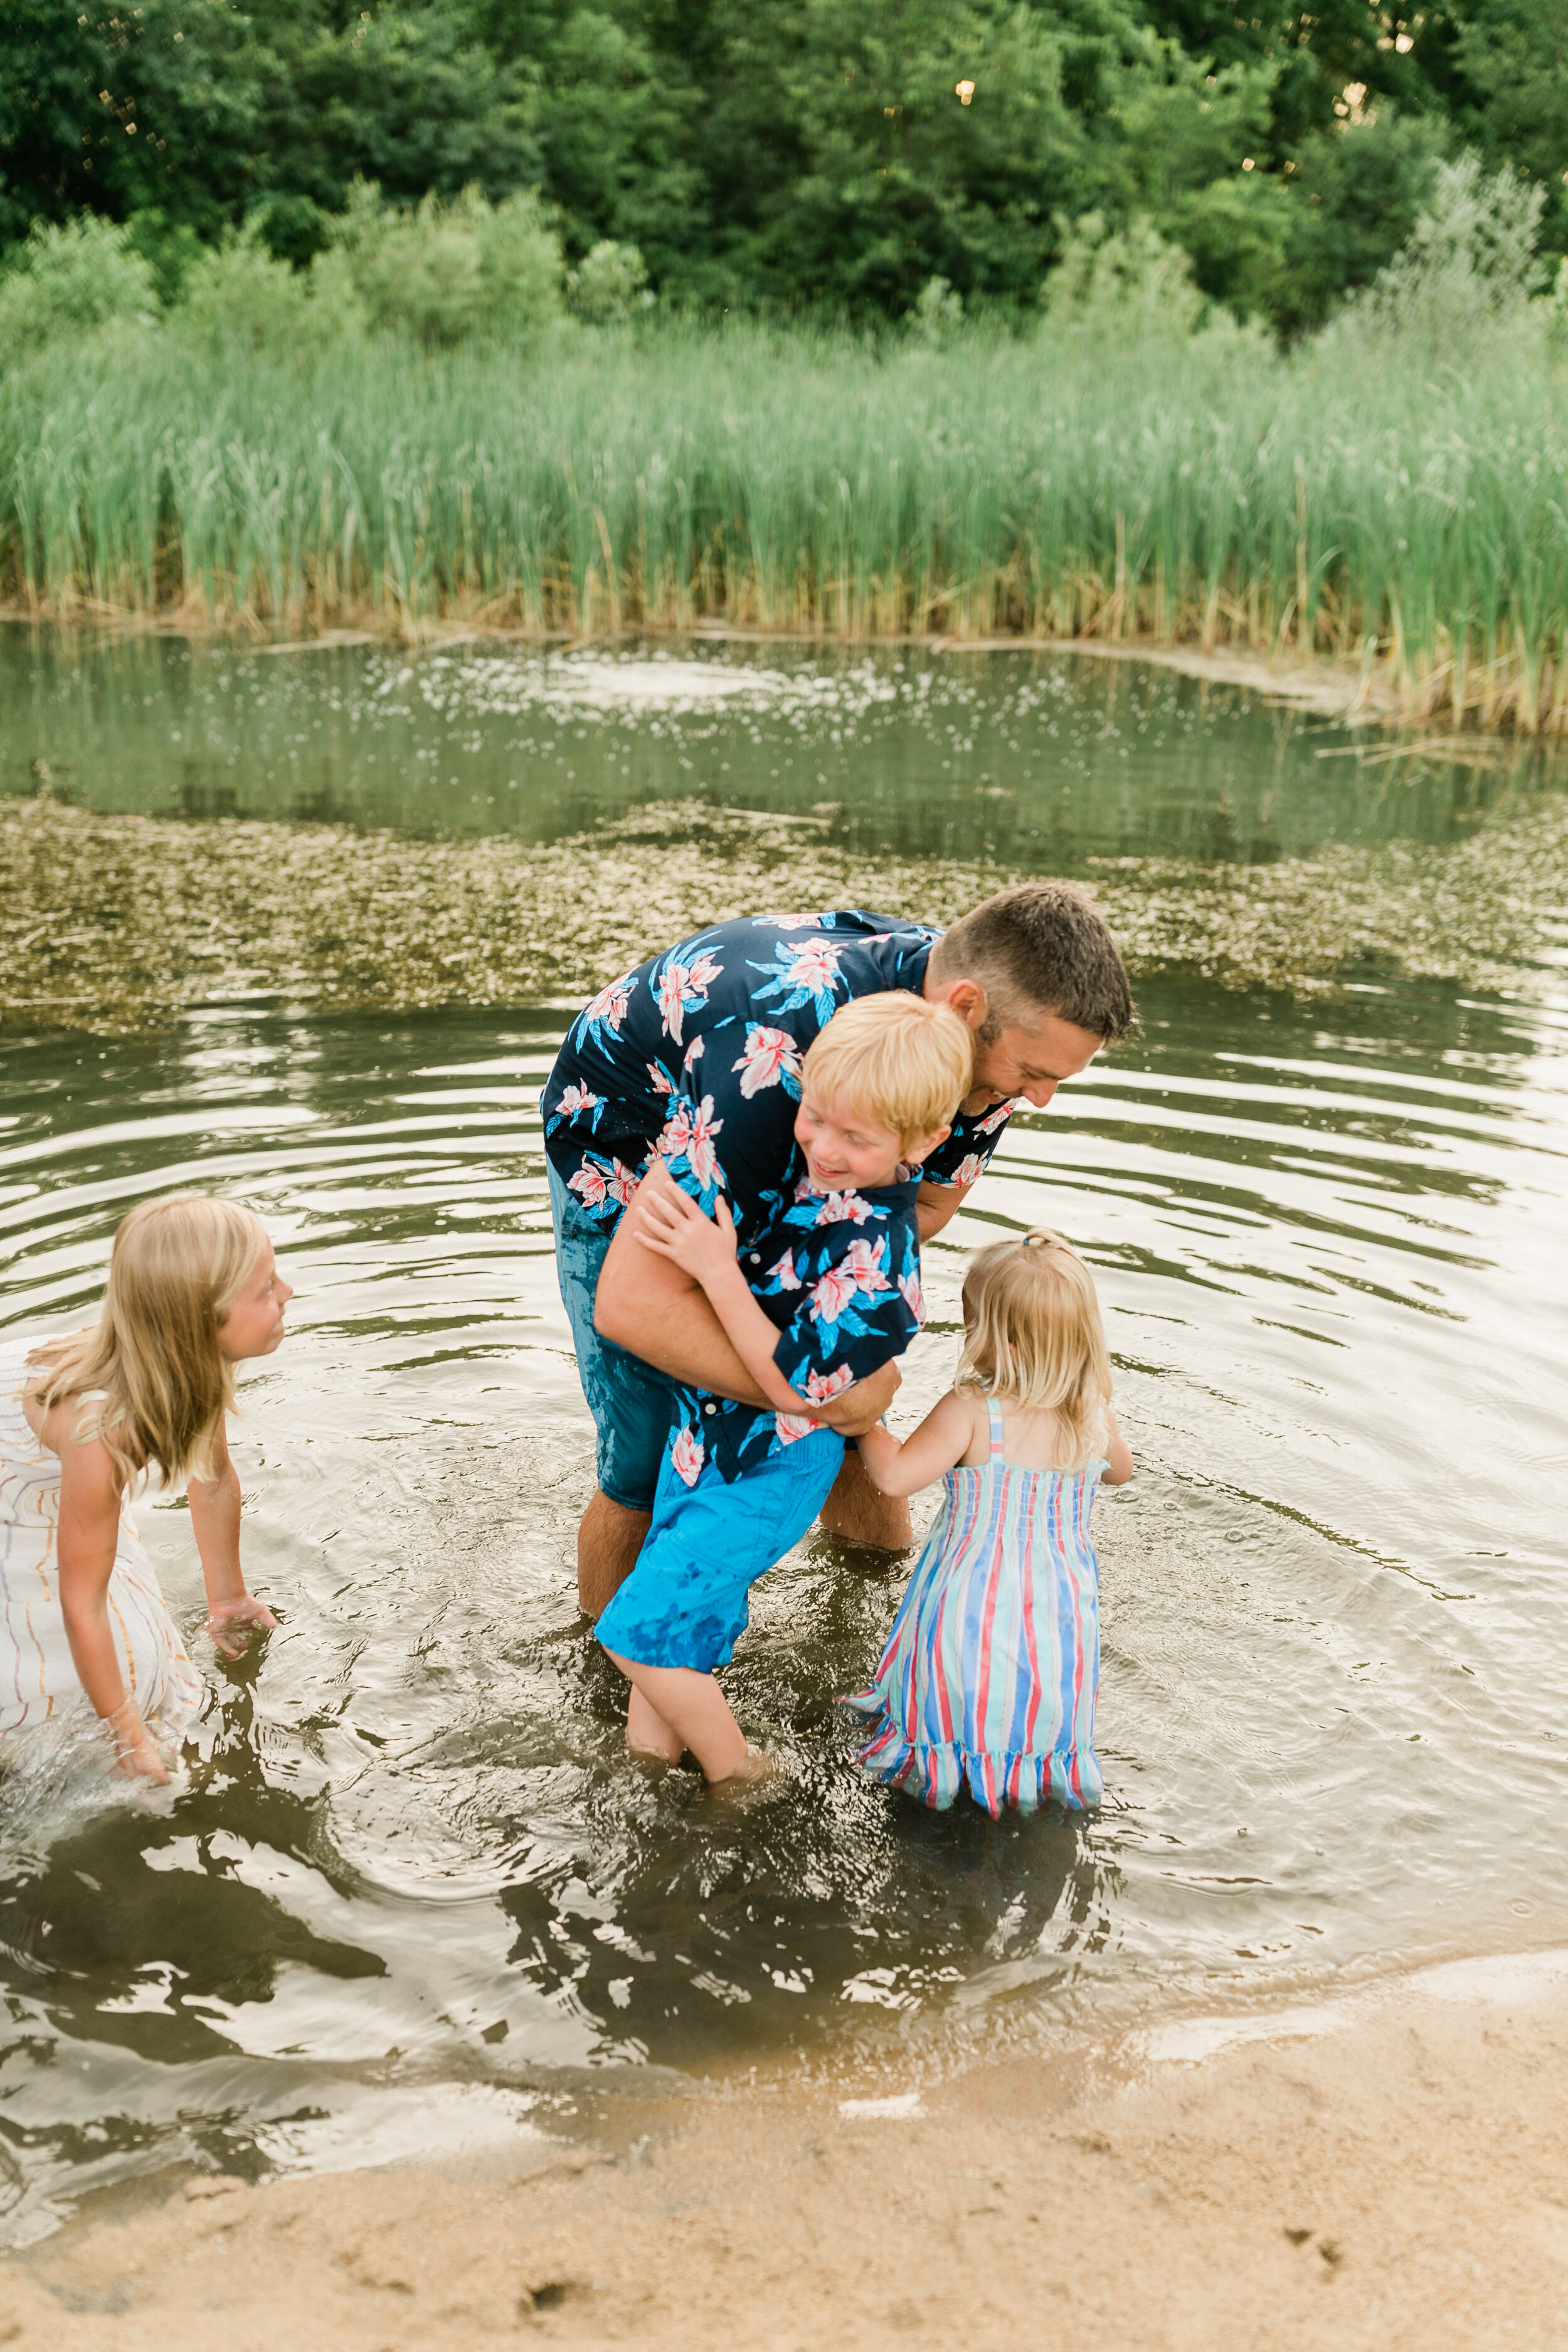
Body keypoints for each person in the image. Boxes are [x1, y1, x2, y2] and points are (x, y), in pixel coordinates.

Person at [543, 884, 1136, 1617]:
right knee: (649, 1454)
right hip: (637, 1143)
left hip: (782, 1147)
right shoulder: (775, 1059)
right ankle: (619, 1669)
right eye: (1034, 1074)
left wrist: (823, 1348)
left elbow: (922, 1205)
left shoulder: (978, 1059)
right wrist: (826, 1392)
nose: (1040, 1099)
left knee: (858, 1420)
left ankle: (873, 1622)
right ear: (965, 1007)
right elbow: (633, 1307)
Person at [593, 993, 973, 1784]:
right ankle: (649, 1784)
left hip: (768, 1471)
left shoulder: (879, 1266)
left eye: (854, 1138)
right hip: (703, 1448)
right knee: (677, 1638)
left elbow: (798, 1388)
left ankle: (745, 1777)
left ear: (928, 1141)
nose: (823, 1147)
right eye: (814, 1117)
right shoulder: (819, 1184)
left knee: (631, 1635)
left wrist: (712, 1270)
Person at [841, 1227, 1133, 1818]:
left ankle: (938, 1773)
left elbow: (895, 1477)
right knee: (1032, 1704)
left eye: (973, 1322)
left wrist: (860, 1421)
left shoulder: (975, 1410)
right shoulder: (1091, 1410)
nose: (966, 1333)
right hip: (1057, 1616)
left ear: (1008, 1342)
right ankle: (1028, 1779)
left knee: (954, 1701)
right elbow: (1120, 1473)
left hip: (968, 1607)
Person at [0, 1195, 287, 1782]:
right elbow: (82, 1603)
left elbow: (212, 1481)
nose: (287, 1292)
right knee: (60, 1654)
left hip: (59, 1473)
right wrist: (126, 1737)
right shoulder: (101, 1433)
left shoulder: (188, 1362)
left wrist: (229, 1599)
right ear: (201, 1321)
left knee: (136, 1631)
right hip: (19, 1480)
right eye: (264, 1289)